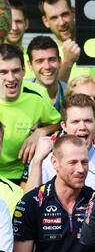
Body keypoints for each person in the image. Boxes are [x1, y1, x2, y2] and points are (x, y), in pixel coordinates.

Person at [38, 0, 95, 130]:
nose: (62, 22)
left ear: (74, 12)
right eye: (54, 18)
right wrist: (67, 63)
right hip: (68, 142)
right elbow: (47, 103)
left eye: (65, 14)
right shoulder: (44, 58)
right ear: (46, 21)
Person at [24, 93, 95, 192]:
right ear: (64, 126)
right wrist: (37, 162)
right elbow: (28, 205)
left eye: (88, 121)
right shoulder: (44, 162)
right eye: (75, 122)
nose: (82, 127)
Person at [0, 43, 61, 182]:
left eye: (15, 71)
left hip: (22, 174)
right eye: (3, 72)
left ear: (23, 71)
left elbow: (60, 124)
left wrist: (41, 132)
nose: (10, 78)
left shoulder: (37, 94)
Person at [27, 35, 66, 112]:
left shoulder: (72, 94)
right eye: (40, 61)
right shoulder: (19, 92)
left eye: (52, 60)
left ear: (60, 62)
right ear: (30, 65)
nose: (47, 66)